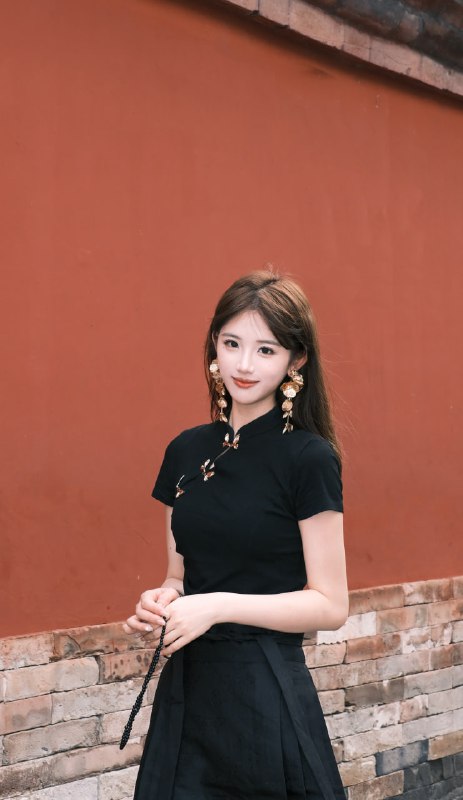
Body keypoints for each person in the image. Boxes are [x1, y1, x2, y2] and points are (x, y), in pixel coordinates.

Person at [123, 270, 348, 800]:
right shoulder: (185, 450)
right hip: (188, 691)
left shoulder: (308, 459)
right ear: (214, 347)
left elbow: (331, 604)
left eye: (266, 350)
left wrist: (216, 606)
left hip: (264, 691)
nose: (244, 365)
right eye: (232, 344)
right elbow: (179, 576)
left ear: (296, 361)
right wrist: (161, 601)